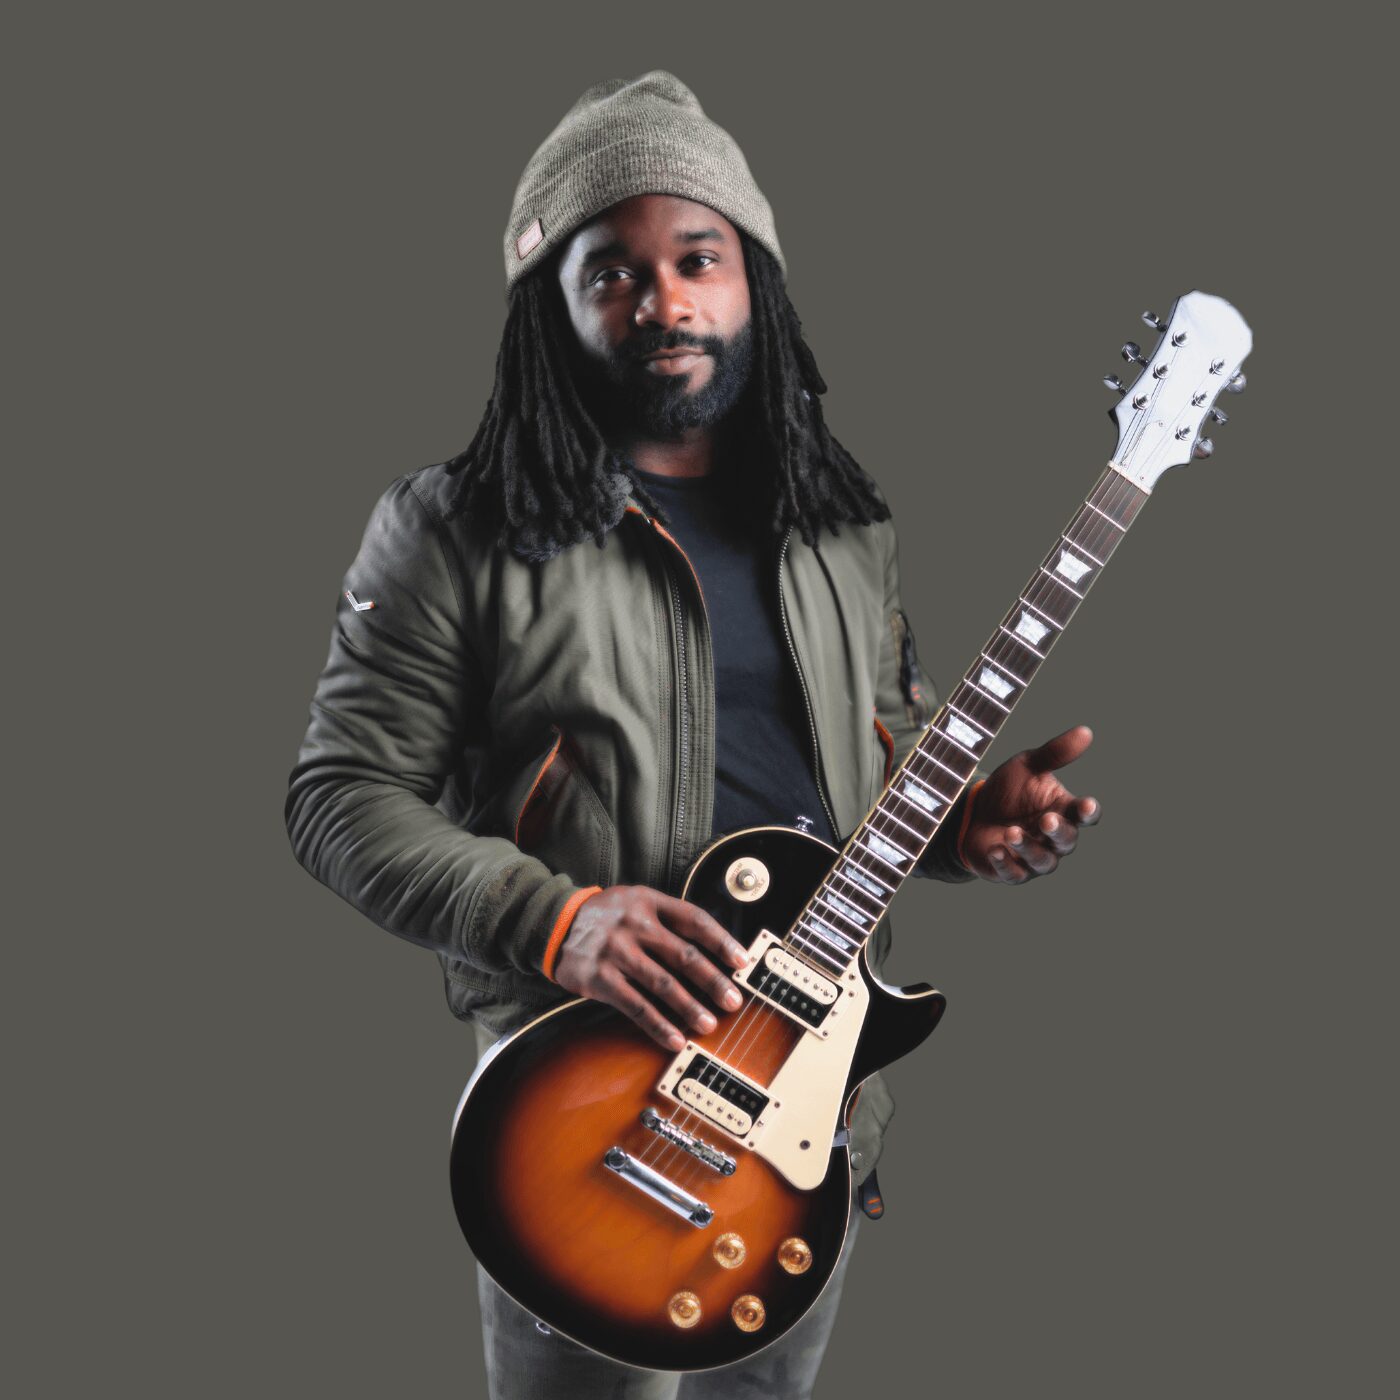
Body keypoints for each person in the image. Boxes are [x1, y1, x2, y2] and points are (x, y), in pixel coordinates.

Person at [285, 70, 1099, 1400]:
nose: (663, 301)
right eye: (611, 271)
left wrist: (964, 822)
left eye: (697, 259)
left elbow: (874, 760)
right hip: (584, 1113)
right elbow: (340, 795)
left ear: (754, 280)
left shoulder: (842, 525)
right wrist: (560, 921)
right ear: (549, 307)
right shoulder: (452, 528)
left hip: (809, 1111)